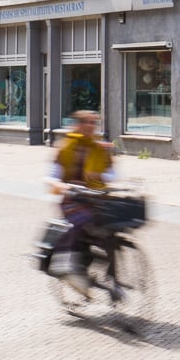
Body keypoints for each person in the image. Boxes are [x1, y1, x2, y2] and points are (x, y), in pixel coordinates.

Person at [47, 110, 115, 290]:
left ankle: (111, 273)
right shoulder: (66, 147)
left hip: (97, 199)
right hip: (73, 200)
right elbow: (52, 177)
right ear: (77, 125)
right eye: (87, 122)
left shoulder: (99, 148)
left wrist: (101, 176)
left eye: (94, 123)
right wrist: (62, 186)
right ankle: (64, 264)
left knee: (114, 228)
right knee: (82, 221)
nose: (91, 126)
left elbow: (112, 174)